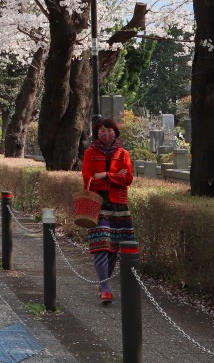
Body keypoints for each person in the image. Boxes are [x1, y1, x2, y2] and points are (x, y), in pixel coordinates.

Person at [81, 117, 135, 306]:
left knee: (114, 248)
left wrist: (105, 175)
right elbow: (88, 178)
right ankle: (105, 287)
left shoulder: (123, 154)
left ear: (115, 132)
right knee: (101, 246)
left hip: (118, 205)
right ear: (96, 133)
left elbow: (127, 178)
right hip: (97, 204)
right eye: (102, 130)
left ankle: (103, 283)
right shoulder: (90, 153)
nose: (106, 133)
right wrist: (115, 177)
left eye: (109, 130)